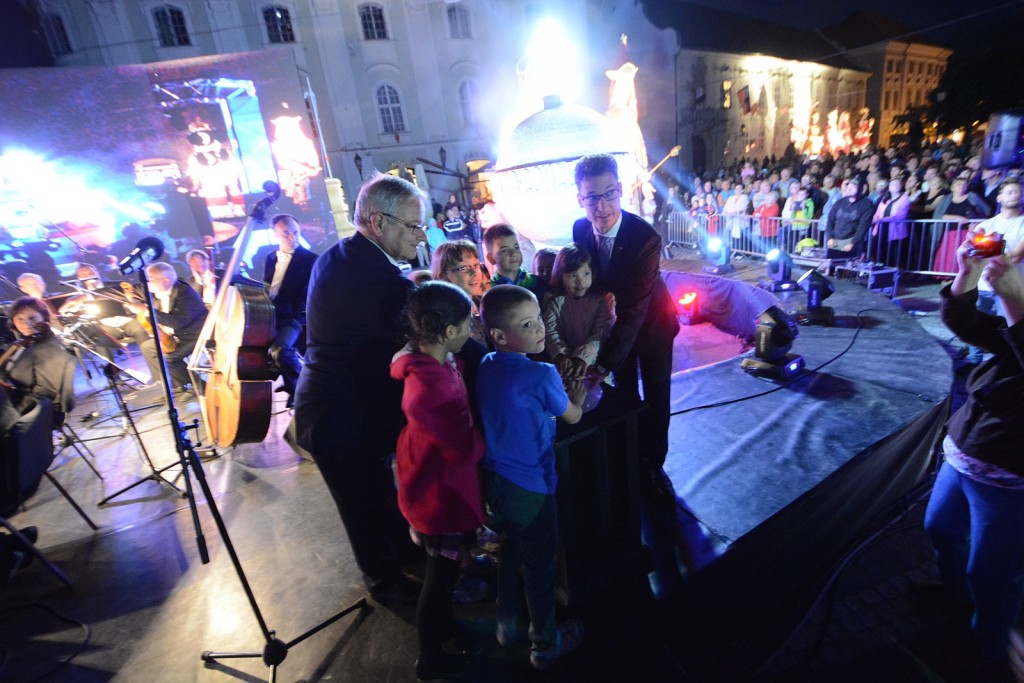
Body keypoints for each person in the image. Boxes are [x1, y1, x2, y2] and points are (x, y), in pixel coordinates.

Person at [294, 173, 427, 606]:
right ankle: (388, 586)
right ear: (378, 222)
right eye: (413, 226)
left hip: (335, 408)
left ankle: (405, 555)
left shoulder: (337, 256)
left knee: (378, 497)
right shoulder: (382, 282)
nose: (421, 236)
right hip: (341, 419)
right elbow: (429, 341)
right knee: (363, 508)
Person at [922, 237, 1024, 671]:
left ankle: (987, 646)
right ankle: (956, 598)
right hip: (967, 449)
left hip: (1009, 472)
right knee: (940, 529)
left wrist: (1014, 303)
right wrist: (966, 276)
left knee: (992, 572)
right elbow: (970, 326)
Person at [476, 284, 585, 671]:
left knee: (508, 552)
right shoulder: (541, 373)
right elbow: (572, 415)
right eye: (527, 324)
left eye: (538, 318)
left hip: (495, 483)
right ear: (499, 334)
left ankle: (507, 626)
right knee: (540, 567)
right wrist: (579, 393)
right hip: (532, 486)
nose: (539, 328)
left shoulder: (487, 363)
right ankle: (545, 645)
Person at [390, 281, 485, 681]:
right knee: (439, 578)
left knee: (443, 572)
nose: (471, 330)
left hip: (429, 482)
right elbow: (458, 446)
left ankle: (445, 629)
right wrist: (489, 441)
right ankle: (430, 657)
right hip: (439, 495)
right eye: (467, 325)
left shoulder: (430, 362)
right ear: (448, 332)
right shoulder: (433, 386)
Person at [571, 153, 680, 493]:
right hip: (616, 329)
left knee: (657, 397)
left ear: (620, 189)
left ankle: (655, 465)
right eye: (592, 197)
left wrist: (602, 363)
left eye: (608, 194)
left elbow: (634, 309)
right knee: (626, 394)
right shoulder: (579, 230)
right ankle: (631, 456)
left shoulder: (644, 238)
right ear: (580, 198)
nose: (601, 206)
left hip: (653, 325)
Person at [123, 262, 207, 396]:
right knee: (147, 347)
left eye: (151, 280)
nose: (148, 284)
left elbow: (178, 322)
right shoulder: (159, 294)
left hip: (195, 335)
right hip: (175, 335)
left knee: (170, 359)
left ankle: (200, 387)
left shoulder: (186, 294)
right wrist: (134, 304)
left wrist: (147, 310)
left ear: (166, 280)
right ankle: (168, 385)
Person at [263, 215, 318, 407]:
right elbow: (268, 287)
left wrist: (280, 310)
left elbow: (305, 298)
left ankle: (300, 389)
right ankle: (288, 383)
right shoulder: (270, 258)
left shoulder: (311, 260)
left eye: (295, 232)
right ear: (275, 235)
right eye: (286, 233)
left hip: (294, 317)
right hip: (269, 315)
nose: (292, 237)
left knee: (281, 350)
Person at [541, 244, 614, 381]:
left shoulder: (601, 300)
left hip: (594, 367)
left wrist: (582, 357)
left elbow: (601, 332)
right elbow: (551, 331)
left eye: (586, 274)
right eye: (572, 276)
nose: (580, 282)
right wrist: (560, 355)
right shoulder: (554, 301)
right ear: (560, 276)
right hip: (564, 368)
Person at [1, 297, 75, 420]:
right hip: (21, 402)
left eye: (32, 318)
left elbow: (45, 394)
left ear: (43, 318)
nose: (26, 324)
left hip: (39, 412)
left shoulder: (47, 347)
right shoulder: (26, 342)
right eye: (19, 318)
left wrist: (10, 414)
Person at [431, 240, 488, 347]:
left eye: (476, 265)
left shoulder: (482, 302)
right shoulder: (446, 316)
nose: (474, 273)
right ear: (442, 276)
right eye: (463, 268)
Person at [483, 223, 545, 298]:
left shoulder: (535, 282)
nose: (513, 253)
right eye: (505, 250)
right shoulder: (490, 290)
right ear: (491, 258)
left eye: (516, 247)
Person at [824, 175, 874, 257]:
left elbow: (863, 226)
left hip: (851, 241)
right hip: (834, 241)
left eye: (853, 187)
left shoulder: (867, 204)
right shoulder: (839, 202)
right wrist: (829, 237)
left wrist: (853, 243)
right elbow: (830, 221)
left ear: (861, 189)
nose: (849, 189)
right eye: (848, 186)